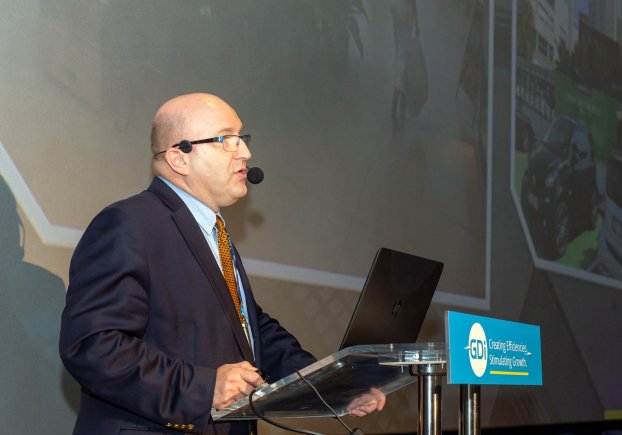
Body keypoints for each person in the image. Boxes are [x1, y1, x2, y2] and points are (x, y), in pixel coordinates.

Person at [59, 93, 384, 435]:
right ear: (179, 158)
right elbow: (93, 346)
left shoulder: (212, 232)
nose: (245, 152)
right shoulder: (129, 224)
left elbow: (249, 330)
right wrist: (204, 387)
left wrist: (328, 384)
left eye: (242, 138)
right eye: (226, 139)